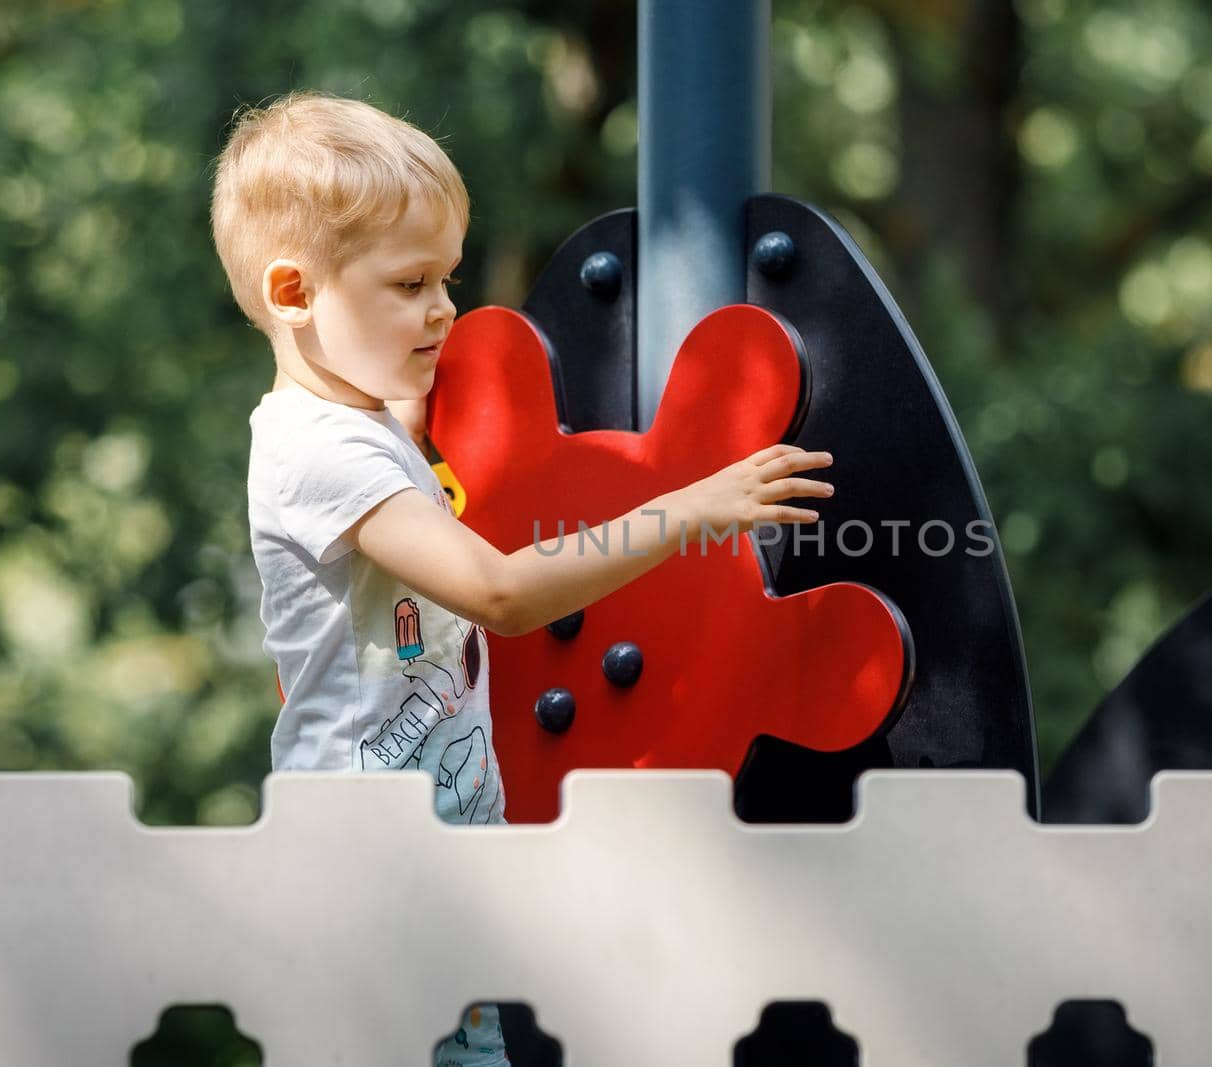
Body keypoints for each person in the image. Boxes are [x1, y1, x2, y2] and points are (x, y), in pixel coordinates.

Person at [207, 90, 833, 1067]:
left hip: (436, 853)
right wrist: (695, 507)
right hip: (369, 865)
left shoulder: (356, 427)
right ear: (293, 295)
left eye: (447, 277)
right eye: (410, 283)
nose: (444, 307)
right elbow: (497, 591)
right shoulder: (323, 453)